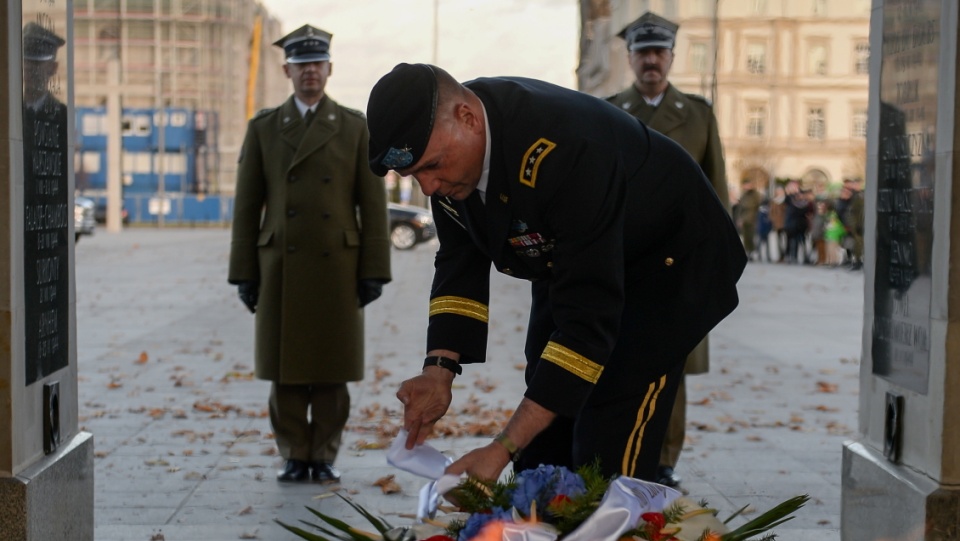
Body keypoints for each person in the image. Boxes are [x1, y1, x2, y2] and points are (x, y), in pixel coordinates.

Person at [365, 62, 746, 483]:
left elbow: (587, 324)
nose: (428, 188)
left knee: (607, 434)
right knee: (545, 415)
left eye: (431, 166)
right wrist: (438, 369)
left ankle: (617, 519)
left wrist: (502, 447)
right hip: (573, 255)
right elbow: (459, 266)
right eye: (414, 174)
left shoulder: (564, 149)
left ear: (468, 119)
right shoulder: (450, 158)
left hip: (665, 261)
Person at [227, 25, 392, 483]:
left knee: (332, 369)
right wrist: (244, 272)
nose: (310, 73)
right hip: (280, 263)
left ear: (330, 69)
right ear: (287, 71)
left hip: (337, 266)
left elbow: (372, 205)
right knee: (287, 371)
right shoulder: (264, 128)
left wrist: (374, 269)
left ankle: (324, 454)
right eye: (302, 66)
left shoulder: (354, 127)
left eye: (317, 64)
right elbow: (246, 206)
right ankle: (294, 453)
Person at [605, 11, 731, 487]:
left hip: (678, 263)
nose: (651, 61)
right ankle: (615, 453)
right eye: (643, 53)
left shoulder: (698, 114)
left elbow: (717, 191)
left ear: (672, 57)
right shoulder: (610, 110)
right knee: (617, 358)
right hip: (624, 261)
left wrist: (716, 262)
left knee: (670, 366)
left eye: (659, 52)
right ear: (631, 58)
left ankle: (662, 461)